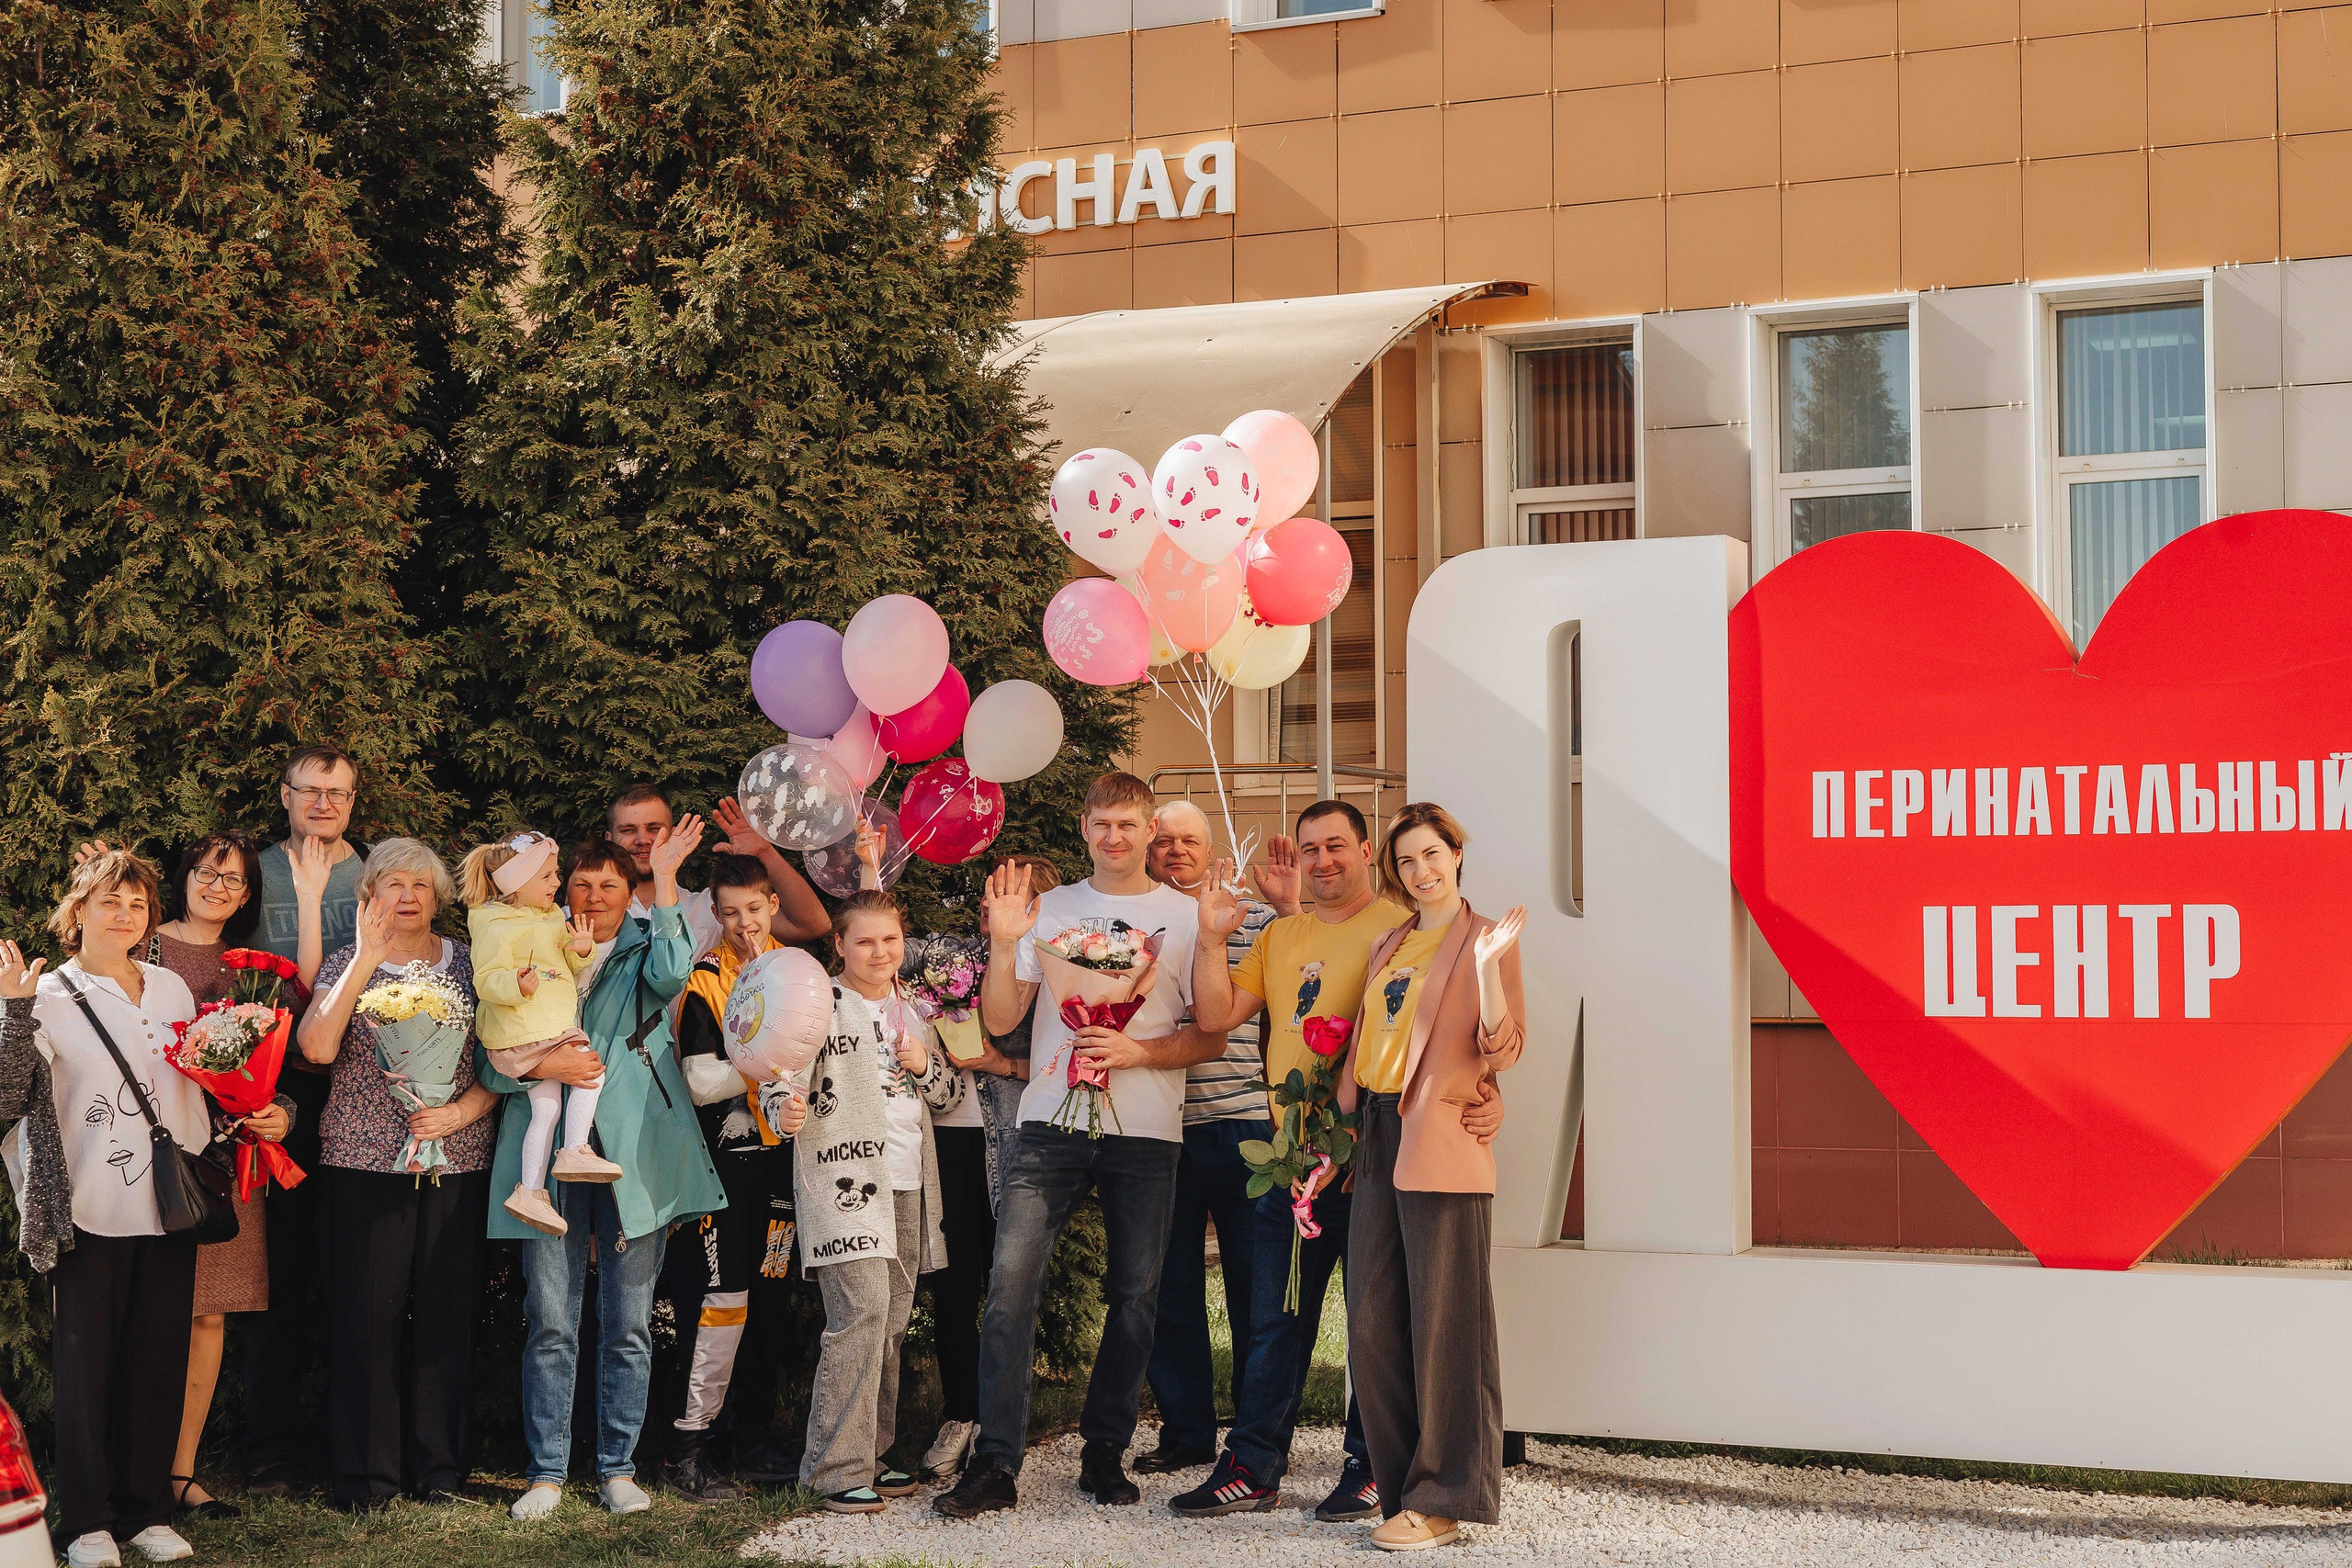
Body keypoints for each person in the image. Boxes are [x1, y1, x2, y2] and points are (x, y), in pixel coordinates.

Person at [1188, 800, 1500, 1520]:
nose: (1323, 858)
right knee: (1273, 1318)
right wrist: (1210, 940)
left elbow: (1449, 1033)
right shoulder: (1280, 932)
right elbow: (1213, 1019)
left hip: (1369, 1158)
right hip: (1291, 1163)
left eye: (1337, 845)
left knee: (1379, 1320)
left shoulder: (1398, 933)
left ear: (1367, 852)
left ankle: (1369, 1464)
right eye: (1310, 847)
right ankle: (1253, 1464)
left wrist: (1489, 1095)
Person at [934, 773, 1227, 1519]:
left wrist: (1139, 1054)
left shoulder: (1185, 915)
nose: (1115, 838)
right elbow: (1003, 1018)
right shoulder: (1051, 908)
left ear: (1149, 827)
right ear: (1085, 824)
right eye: (1102, 824)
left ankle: (1104, 1451)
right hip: (1047, 1123)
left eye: (1129, 824)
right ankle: (997, 1461)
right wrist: (1004, 944)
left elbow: (1210, 1032)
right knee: (1009, 1289)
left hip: (1146, 1129)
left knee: (1134, 1298)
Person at [488, 818, 722, 1521]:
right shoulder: (535, 946)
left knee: (628, 1322)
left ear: (632, 893)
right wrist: (543, 1064)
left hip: (631, 1159)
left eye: (610, 885)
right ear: (564, 894)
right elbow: (492, 1053)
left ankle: (618, 1466)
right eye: (582, 884)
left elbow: (675, 975)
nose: (593, 896)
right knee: (550, 1319)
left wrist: (670, 881)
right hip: (547, 1166)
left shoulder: (652, 945)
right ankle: (548, 1472)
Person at [1, 851, 204, 1567]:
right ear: (77, 909)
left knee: (157, 1361)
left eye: (139, 904)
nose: (126, 914)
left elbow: (199, 1084)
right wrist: (13, 1011)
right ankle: (87, 1521)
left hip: (169, 1206)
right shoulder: (48, 992)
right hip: (85, 1206)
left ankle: (148, 1510)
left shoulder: (174, 988)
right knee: (86, 1369)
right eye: (110, 901)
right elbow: (3, 1097)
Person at [1332, 803, 1525, 1551]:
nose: (1421, 870)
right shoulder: (1390, 940)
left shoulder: (1486, 940)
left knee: (1448, 1324)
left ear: (1455, 854)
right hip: (1376, 1132)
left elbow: (1502, 1048)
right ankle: (1404, 1482)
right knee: (1373, 1323)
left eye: (1431, 854)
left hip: (1441, 1136)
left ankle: (1445, 1498)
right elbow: (1371, 1038)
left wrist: (1486, 970)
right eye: (1407, 861)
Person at [295, 839, 500, 1511]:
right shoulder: (344, 961)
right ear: (369, 895)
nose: (407, 895)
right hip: (364, 1160)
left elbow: (510, 1056)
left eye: (420, 883)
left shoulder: (471, 963)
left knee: (448, 1314)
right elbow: (318, 1048)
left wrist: (459, 1112)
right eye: (392, 883)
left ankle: (440, 1471)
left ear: (440, 895)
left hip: (456, 1158)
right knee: (365, 1317)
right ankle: (366, 1478)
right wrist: (366, 961)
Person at [762, 890, 961, 1514]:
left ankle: (872, 1453)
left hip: (907, 1182)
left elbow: (950, 1094)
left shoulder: (919, 1009)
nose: (880, 951)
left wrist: (925, 1063)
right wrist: (782, 1108)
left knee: (892, 1321)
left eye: (891, 939)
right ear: (840, 945)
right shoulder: (819, 1003)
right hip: (842, 1181)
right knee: (861, 1312)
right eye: (866, 940)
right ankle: (831, 1468)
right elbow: (777, 1076)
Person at [1135, 801, 1290, 1484]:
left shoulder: (1253, 918)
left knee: (1256, 1288)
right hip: (1161, 1126)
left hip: (1246, 1126)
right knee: (1169, 1288)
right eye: (1163, 840)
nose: (1174, 851)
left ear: (1212, 846)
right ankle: (1189, 1431)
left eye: (1188, 840)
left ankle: (1258, 1434)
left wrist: (1286, 912)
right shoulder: (1135, 918)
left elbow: (1295, 996)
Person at [144, 833, 290, 1522]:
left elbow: (281, 1075)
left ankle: (180, 1473)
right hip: (152, 1158)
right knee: (145, 1311)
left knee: (208, 1315)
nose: (219, 887)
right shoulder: (145, 948)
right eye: (208, 872)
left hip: (231, 1161)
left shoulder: (250, 972)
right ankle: (131, 1464)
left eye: (234, 880)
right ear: (184, 877)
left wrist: (278, 1113)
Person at [901, 852, 1053, 1482]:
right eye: (992, 893)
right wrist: (863, 870)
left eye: (1013, 895)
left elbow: (1062, 1060)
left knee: (1008, 1289)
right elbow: (884, 945)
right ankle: (959, 1412)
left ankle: (999, 1420)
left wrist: (1002, 1066)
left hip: (1014, 1145)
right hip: (944, 1145)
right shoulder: (956, 955)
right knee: (954, 1285)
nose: (995, 905)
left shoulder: (1054, 968)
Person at [245, 743, 367, 1497]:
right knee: (279, 1277)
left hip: (361, 1093)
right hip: (271, 1093)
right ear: (285, 794)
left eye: (340, 792)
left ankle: (351, 1447)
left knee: (357, 1276)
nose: (325, 802)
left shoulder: (375, 874)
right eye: (312, 790)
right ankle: (272, 1453)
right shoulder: (250, 871)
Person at [663, 854, 797, 1502]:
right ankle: (691, 1446)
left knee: (772, 1302)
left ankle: (753, 1437)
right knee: (725, 1302)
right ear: (715, 914)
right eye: (731, 911)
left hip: (785, 1170)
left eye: (756, 908)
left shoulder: (798, 972)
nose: (745, 922)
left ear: (774, 904)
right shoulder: (706, 979)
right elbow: (700, 1079)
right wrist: (765, 1062)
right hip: (724, 1170)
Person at [459, 832, 612, 1235]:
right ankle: (575, 1149)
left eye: (554, 874)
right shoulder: (494, 925)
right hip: (529, 1031)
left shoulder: (548, 917)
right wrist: (515, 984)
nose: (555, 884)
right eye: (546, 877)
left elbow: (570, 964)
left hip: (543, 1028)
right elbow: (487, 979)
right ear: (516, 885)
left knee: (546, 1110)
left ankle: (529, 1191)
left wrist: (581, 949)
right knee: (592, 1072)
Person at [604, 785, 829, 959]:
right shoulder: (587, 910)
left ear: (674, 835)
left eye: (654, 829)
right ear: (609, 839)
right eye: (628, 830)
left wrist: (765, 853)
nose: (643, 840)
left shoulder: (710, 908)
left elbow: (812, 925)